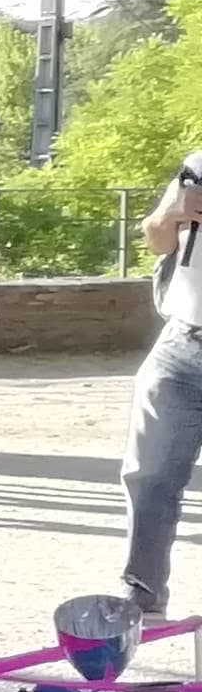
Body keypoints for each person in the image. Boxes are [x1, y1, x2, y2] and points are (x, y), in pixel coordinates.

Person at [126, 147, 202, 613]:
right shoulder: (198, 162)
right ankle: (142, 592)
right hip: (180, 344)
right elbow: (156, 239)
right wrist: (174, 210)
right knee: (150, 475)